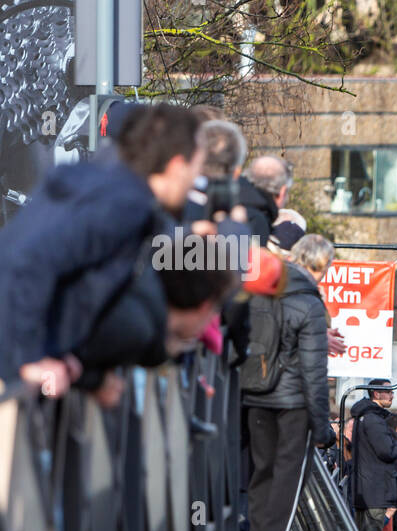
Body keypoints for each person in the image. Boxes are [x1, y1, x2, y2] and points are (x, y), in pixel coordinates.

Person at [0, 104, 229, 398]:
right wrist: (29, 359)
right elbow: (30, 261)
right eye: (196, 170)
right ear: (176, 166)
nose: (196, 183)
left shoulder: (111, 192)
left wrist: (77, 369)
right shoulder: (123, 203)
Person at [243, 233, 337, 531]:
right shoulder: (310, 304)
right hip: (292, 401)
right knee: (290, 468)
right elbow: (313, 371)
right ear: (322, 266)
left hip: (256, 392)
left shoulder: (262, 291)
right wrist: (322, 425)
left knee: (262, 465)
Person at [349, 379, 397, 531]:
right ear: (376, 394)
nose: (392, 395)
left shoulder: (364, 417)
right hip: (374, 493)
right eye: (388, 391)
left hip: (365, 489)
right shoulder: (373, 420)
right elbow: (388, 452)